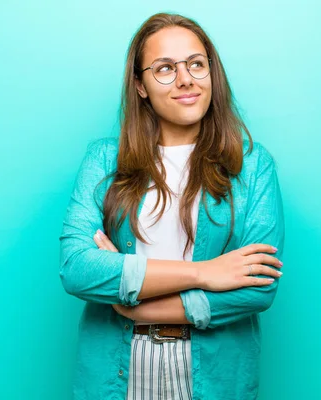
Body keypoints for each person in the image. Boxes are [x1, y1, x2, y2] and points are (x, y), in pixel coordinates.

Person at [59, 12, 285, 400]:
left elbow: (257, 288)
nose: (186, 79)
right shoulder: (103, 161)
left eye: (197, 64)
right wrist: (205, 273)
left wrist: (134, 306)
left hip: (216, 371)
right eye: (164, 68)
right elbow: (77, 268)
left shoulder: (253, 165)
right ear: (140, 85)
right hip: (118, 367)